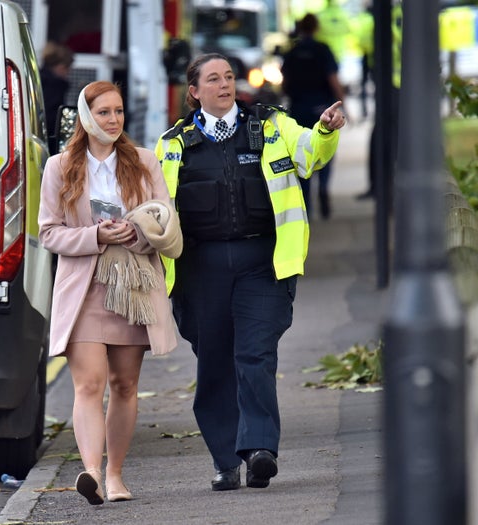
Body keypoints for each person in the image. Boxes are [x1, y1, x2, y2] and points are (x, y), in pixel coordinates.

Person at [154, 53, 345, 491]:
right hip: (199, 270)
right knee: (216, 363)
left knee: (256, 355)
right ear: (194, 92)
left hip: (263, 262)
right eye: (213, 79)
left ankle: (260, 450)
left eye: (229, 77)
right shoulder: (174, 143)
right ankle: (226, 461)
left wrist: (325, 130)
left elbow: (310, 154)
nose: (224, 85)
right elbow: (155, 203)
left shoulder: (273, 125)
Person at [38, 81, 182, 505]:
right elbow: (49, 233)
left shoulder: (143, 161)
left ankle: (117, 475)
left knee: (124, 384)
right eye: (104, 112)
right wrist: (96, 234)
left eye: (118, 112)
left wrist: (136, 234)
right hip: (85, 288)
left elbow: (164, 219)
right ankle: (92, 473)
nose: (114, 120)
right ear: (86, 116)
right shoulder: (60, 166)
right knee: (89, 384)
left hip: (133, 287)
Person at [281, 13, 346, 219]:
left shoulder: (292, 52)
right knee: (325, 148)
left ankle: (306, 203)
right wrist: (344, 102)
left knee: (302, 151)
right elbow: (333, 79)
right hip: (321, 109)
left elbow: (284, 82)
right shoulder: (322, 50)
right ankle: (324, 187)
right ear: (316, 28)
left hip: (298, 108)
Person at [40, 42, 74, 153]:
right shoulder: (55, 85)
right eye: (66, 68)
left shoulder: (38, 80)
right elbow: (53, 118)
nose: (67, 73)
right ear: (59, 66)